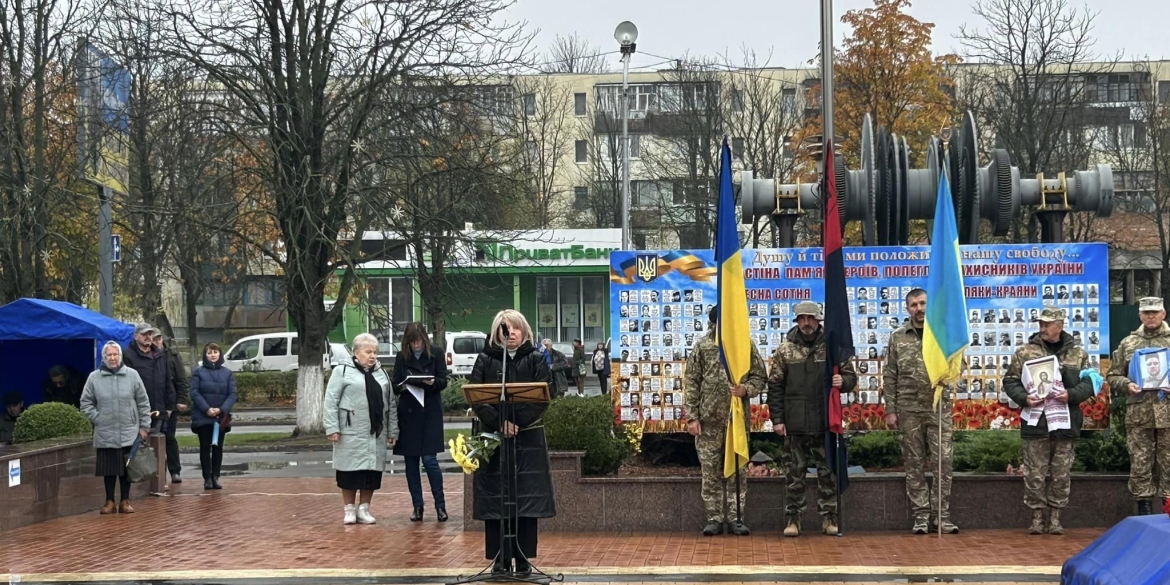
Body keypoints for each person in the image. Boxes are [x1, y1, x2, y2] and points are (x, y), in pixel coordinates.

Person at [469, 310, 555, 576]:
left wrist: (516, 422)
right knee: (497, 499)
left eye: (516, 328)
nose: (512, 333)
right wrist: (499, 423)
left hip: (526, 438)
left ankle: (523, 558)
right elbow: (476, 396)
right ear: (497, 333)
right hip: (495, 439)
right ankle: (499, 558)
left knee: (524, 500)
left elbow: (542, 396)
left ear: (524, 331)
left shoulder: (536, 358)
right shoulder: (485, 360)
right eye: (506, 328)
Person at [768, 301, 856, 537]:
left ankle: (829, 517)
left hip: (824, 423)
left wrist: (843, 382)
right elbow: (775, 386)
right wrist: (777, 418)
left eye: (811, 318)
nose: (806, 323)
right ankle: (793, 519)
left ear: (819, 320)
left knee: (828, 474)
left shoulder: (832, 348)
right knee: (794, 476)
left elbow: (850, 377)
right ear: (796, 321)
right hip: (794, 425)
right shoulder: (785, 350)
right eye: (802, 318)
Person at [1002, 307, 1093, 535]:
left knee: (1061, 474)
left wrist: (1070, 395)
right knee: (1034, 474)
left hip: (1065, 423)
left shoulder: (1078, 354)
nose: (1042, 327)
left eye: (1047, 324)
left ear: (1059, 325)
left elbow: (1091, 382)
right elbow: (1010, 381)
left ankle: (1055, 518)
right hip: (1036, 423)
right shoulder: (1025, 352)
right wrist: (1025, 398)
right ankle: (1036, 518)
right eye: (1040, 323)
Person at [684, 305, 768, 537]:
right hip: (709, 423)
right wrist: (692, 417)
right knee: (710, 472)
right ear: (712, 323)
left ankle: (736, 518)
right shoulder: (702, 347)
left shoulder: (744, 345)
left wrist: (747, 390)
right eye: (719, 322)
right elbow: (691, 382)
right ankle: (713, 518)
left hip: (736, 422)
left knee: (737, 472)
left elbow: (760, 376)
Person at [882, 289, 958, 534]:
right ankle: (921, 517)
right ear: (908, 309)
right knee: (913, 465)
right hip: (908, 410)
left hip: (938, 409)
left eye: (923, 303)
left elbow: (958, 363)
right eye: (914, 304)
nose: (919, 308)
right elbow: (890, 375)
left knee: (943, 463)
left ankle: (941, 516)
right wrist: (890, 410)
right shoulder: (897, 337)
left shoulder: (942, 335)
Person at [323, 333, 399, 525]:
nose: (372, 356)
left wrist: (392, 431)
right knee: (348, 473)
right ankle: (349, 510)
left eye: (375, 352)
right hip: (350, 431)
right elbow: (331, 400)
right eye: (368, 352)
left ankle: (364, 509)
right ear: (356, 352)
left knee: (370, 473)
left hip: (375, 433)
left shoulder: (381, 373)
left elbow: (390, 404)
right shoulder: (342, 371)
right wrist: (332, 427)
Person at [1107, 297, 1170, 515]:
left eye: (1155, 312)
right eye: (1146, 313)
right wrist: (1127, 385)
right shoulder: (1128, 343)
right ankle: (1143, 511)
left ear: (1163, 313)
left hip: (1168, 413)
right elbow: (1113, 375)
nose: (1151, 316)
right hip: (1139, 414)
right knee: (1140, 463)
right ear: (1140, 315)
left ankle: (1167, 512)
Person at [79, 342, 151, 515]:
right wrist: (98, 418)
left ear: (120, 356)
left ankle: (125, 501)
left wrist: (144, 426)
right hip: (105, 432)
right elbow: (85, 402)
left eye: (115, 354)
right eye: (109, 355)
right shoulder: (94, 377)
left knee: (127, 469)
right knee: (109, 469)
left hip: (129, 431)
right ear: (104, 357)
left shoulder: (132, 375)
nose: (112, 358)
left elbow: (143, 402)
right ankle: (109, 501)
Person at [391, 323, 450, 522]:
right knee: (411, 462)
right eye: (412, 342)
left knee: (430, 461)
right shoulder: (402, 356)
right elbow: (395, 384)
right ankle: (417, 506)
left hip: (430, 412)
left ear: (425, 339)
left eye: (419, 342)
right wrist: (404, 386)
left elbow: (444, 380)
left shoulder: (436, 353)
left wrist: (433, 383)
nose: (416, 346)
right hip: (409, 414)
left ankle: (440, 505)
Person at [122, 323, 175, 468]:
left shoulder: (160, 354)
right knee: (140, 447)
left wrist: (170, 406)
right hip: (138, 411)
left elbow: (167, 380)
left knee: (159, 447)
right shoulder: (127, 355)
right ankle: (141, 481)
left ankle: (159, 481)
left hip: (160, 409)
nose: (148, 337)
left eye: (150, 334)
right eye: (144, 334)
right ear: (136, 336)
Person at [189, 343, 237, 491]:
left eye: (215, 352)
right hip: (204, 417)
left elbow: (232, 394)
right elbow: (194, 392)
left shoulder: (227, 373)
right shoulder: (198, 372)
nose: (213, 355)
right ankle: (207, 478)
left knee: (218, 448)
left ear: (220, 354)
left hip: (220, 418)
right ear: (205, 355)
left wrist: (221, 410)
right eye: (209, 353)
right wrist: (207, 409)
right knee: (205, 447)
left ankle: (216, 476)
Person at [153, 332, 189, 484]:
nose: (157, 341)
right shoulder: (148, 355)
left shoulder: (172, 355)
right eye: (154, 339)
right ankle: (157, 473)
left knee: (169, 437)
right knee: (153, 439)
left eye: (159, 338)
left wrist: (181, 399)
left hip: (170, 402)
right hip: (154, 404)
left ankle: (175, 471)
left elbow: (181, 379)